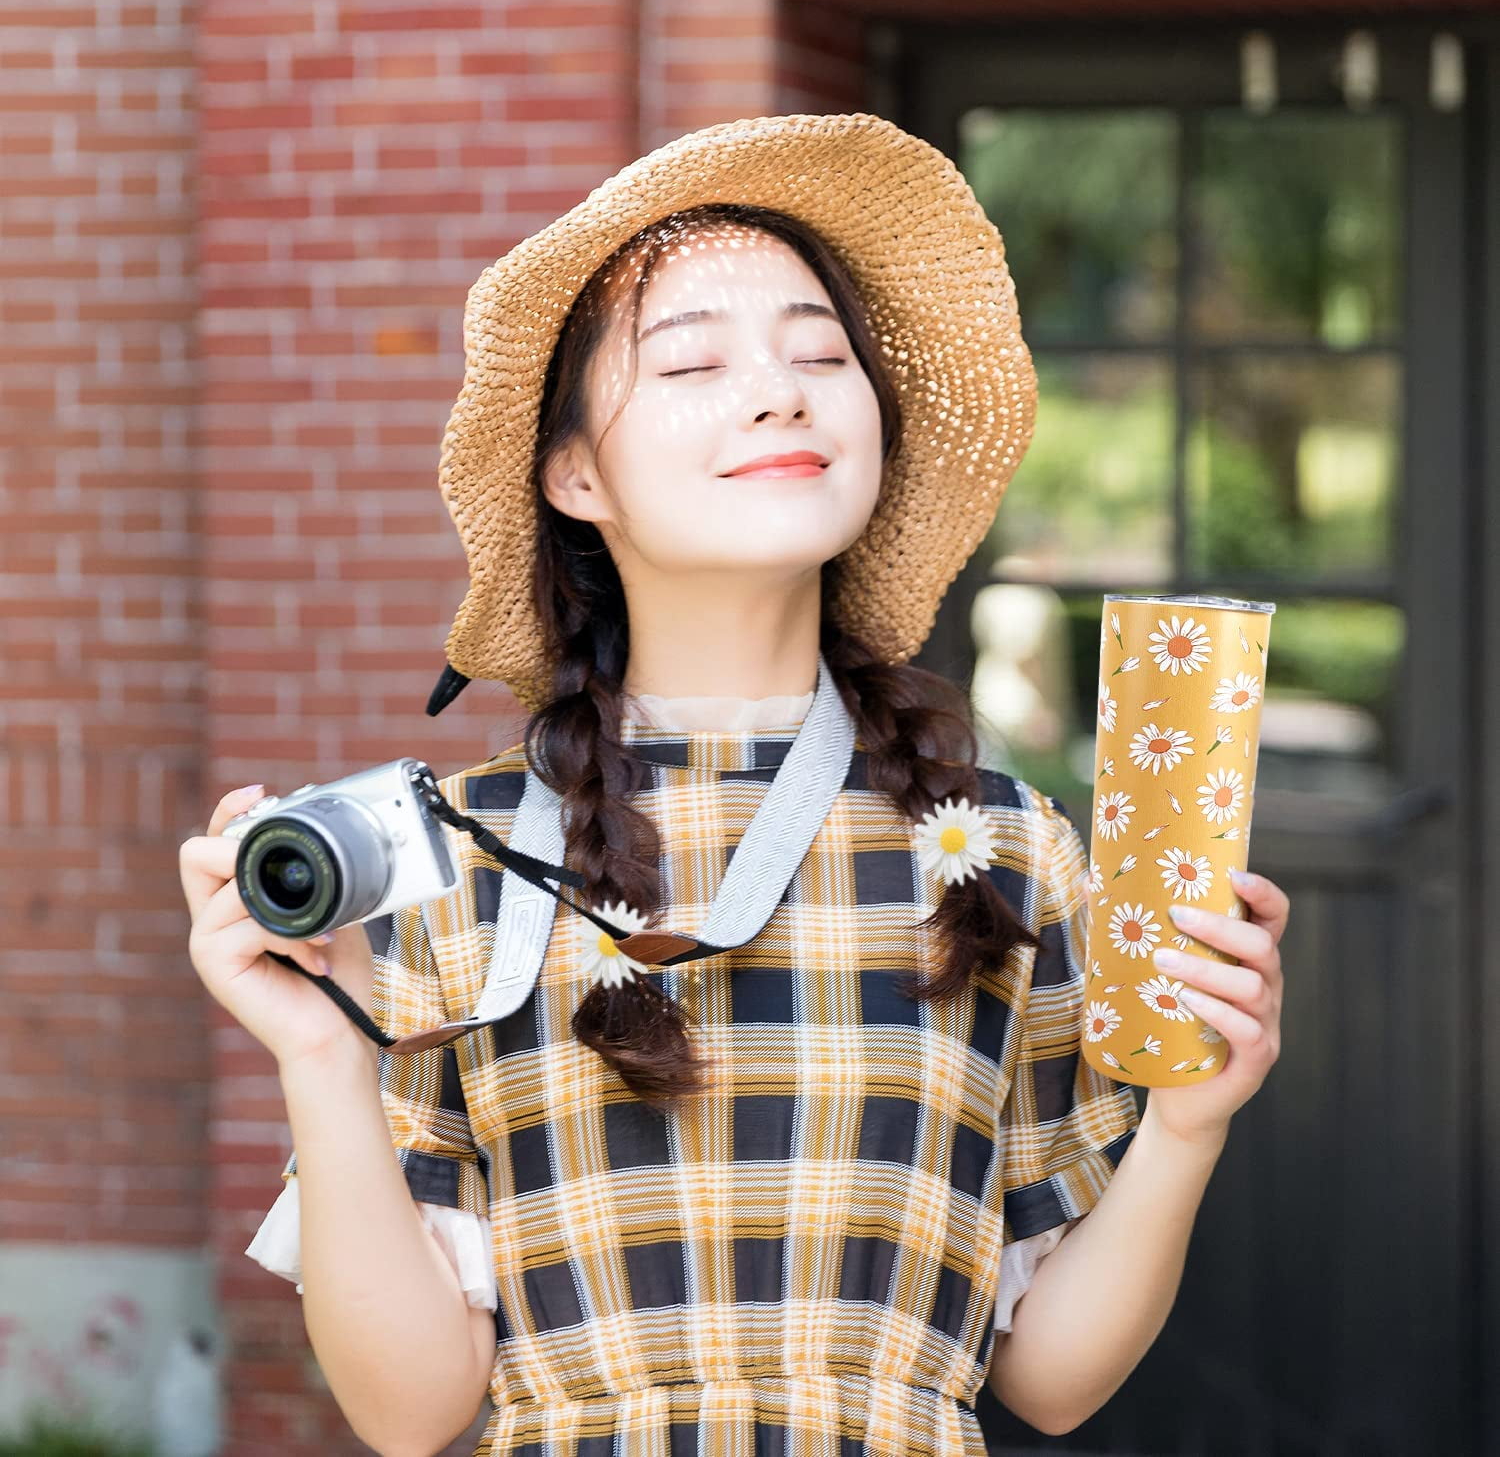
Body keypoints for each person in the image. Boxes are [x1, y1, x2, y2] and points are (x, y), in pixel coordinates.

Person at [179, 113, 1289, 1456]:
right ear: (576, 473)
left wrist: (1187, 1126)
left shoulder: (1001, 848)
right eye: (695, 361)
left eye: (821, 355)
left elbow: (1048, 1380)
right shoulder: (454, 855)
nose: (783, 392)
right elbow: (412, 1412)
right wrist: (319, 1052)